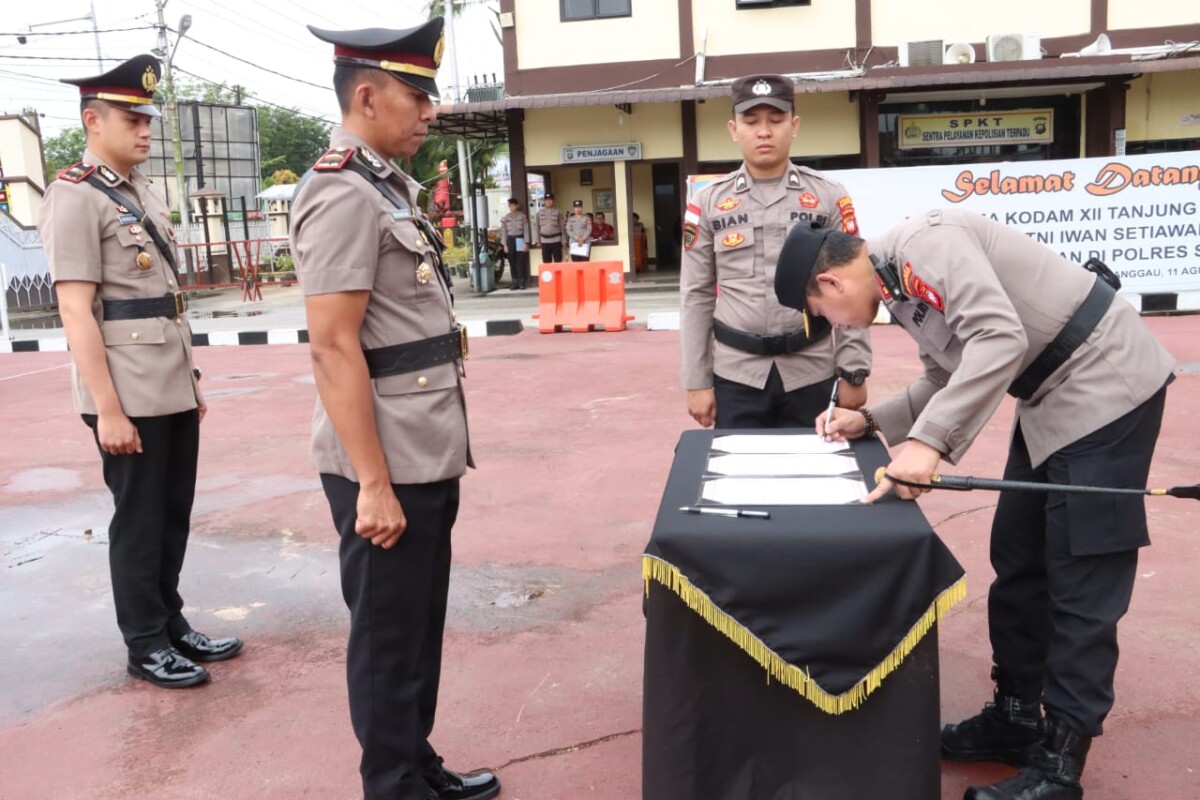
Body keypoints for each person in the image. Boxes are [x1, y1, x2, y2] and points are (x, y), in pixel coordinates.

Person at [774, 209, 1175, 800]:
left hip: (1106, 386)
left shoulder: (924, 245)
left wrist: (928, 443)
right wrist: (873, 419)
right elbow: (946, 374)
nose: (831, 324)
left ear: (829, 285)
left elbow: (999, 338)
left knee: (1081, 579)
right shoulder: (898, 283)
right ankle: (1015, 716)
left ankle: (1061, 766)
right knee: (1018, 556)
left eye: (821, 315)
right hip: (1051, 400)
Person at [291, 17, 500, 800]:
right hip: (381, 458)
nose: (431, 112)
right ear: (368, 94)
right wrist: (372, 484)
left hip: (423, 443)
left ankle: (415, 761)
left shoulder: (385, 186)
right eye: (418, 95)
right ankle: (391, 783)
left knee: (416, 627)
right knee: (386, 637)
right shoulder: (341, 191)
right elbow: (333, 347)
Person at [38, 54, 243, 689]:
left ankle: (171, 622)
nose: (146, 131)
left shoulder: (141, 190)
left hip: (168, 383)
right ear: (92, 120)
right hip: (124, 391)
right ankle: (144, 643)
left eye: (148, 119)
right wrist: (108, 408)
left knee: (172, 512)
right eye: (133, 119)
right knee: (139, 519)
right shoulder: (73, 195)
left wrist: (193, 381)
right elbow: (78, 311)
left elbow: (163, 299)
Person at [679, 74, 872, 430]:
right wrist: (696, 380)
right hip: (736, 376)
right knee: (738, 482)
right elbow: (696, 294)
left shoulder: (828, 196)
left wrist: (854, 371)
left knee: (815, 480)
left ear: (794, 125)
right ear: (734, 129)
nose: (764, 131)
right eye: (751, 122)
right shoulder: (708, 203)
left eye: (776, 120)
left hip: (811, 371)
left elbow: (853, 287)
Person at [499, 197, 530, 289]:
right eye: (510, 206)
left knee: (520, 261)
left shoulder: (522, 216)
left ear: (517, 206)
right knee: (512, 261)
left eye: (513, 206)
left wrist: (526, 243)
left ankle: (521, 282)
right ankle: (514, 281)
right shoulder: (506, 218)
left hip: (520, 239)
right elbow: (504, 232)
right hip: (510, 240)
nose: (512, 207)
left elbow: (526, 230)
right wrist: (504, 245)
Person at [532, 192, 565, 263]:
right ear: (544, 201)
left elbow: (562, 227)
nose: (548, 201)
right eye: (546, 200)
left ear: (553, 201)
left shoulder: (558, 212)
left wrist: (564, 240)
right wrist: (537, 241)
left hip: (556, 241)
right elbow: (537, 227)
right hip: (544, 241)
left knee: (558, 262)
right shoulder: (539, 213)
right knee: (546, 263)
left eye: (550, 200)